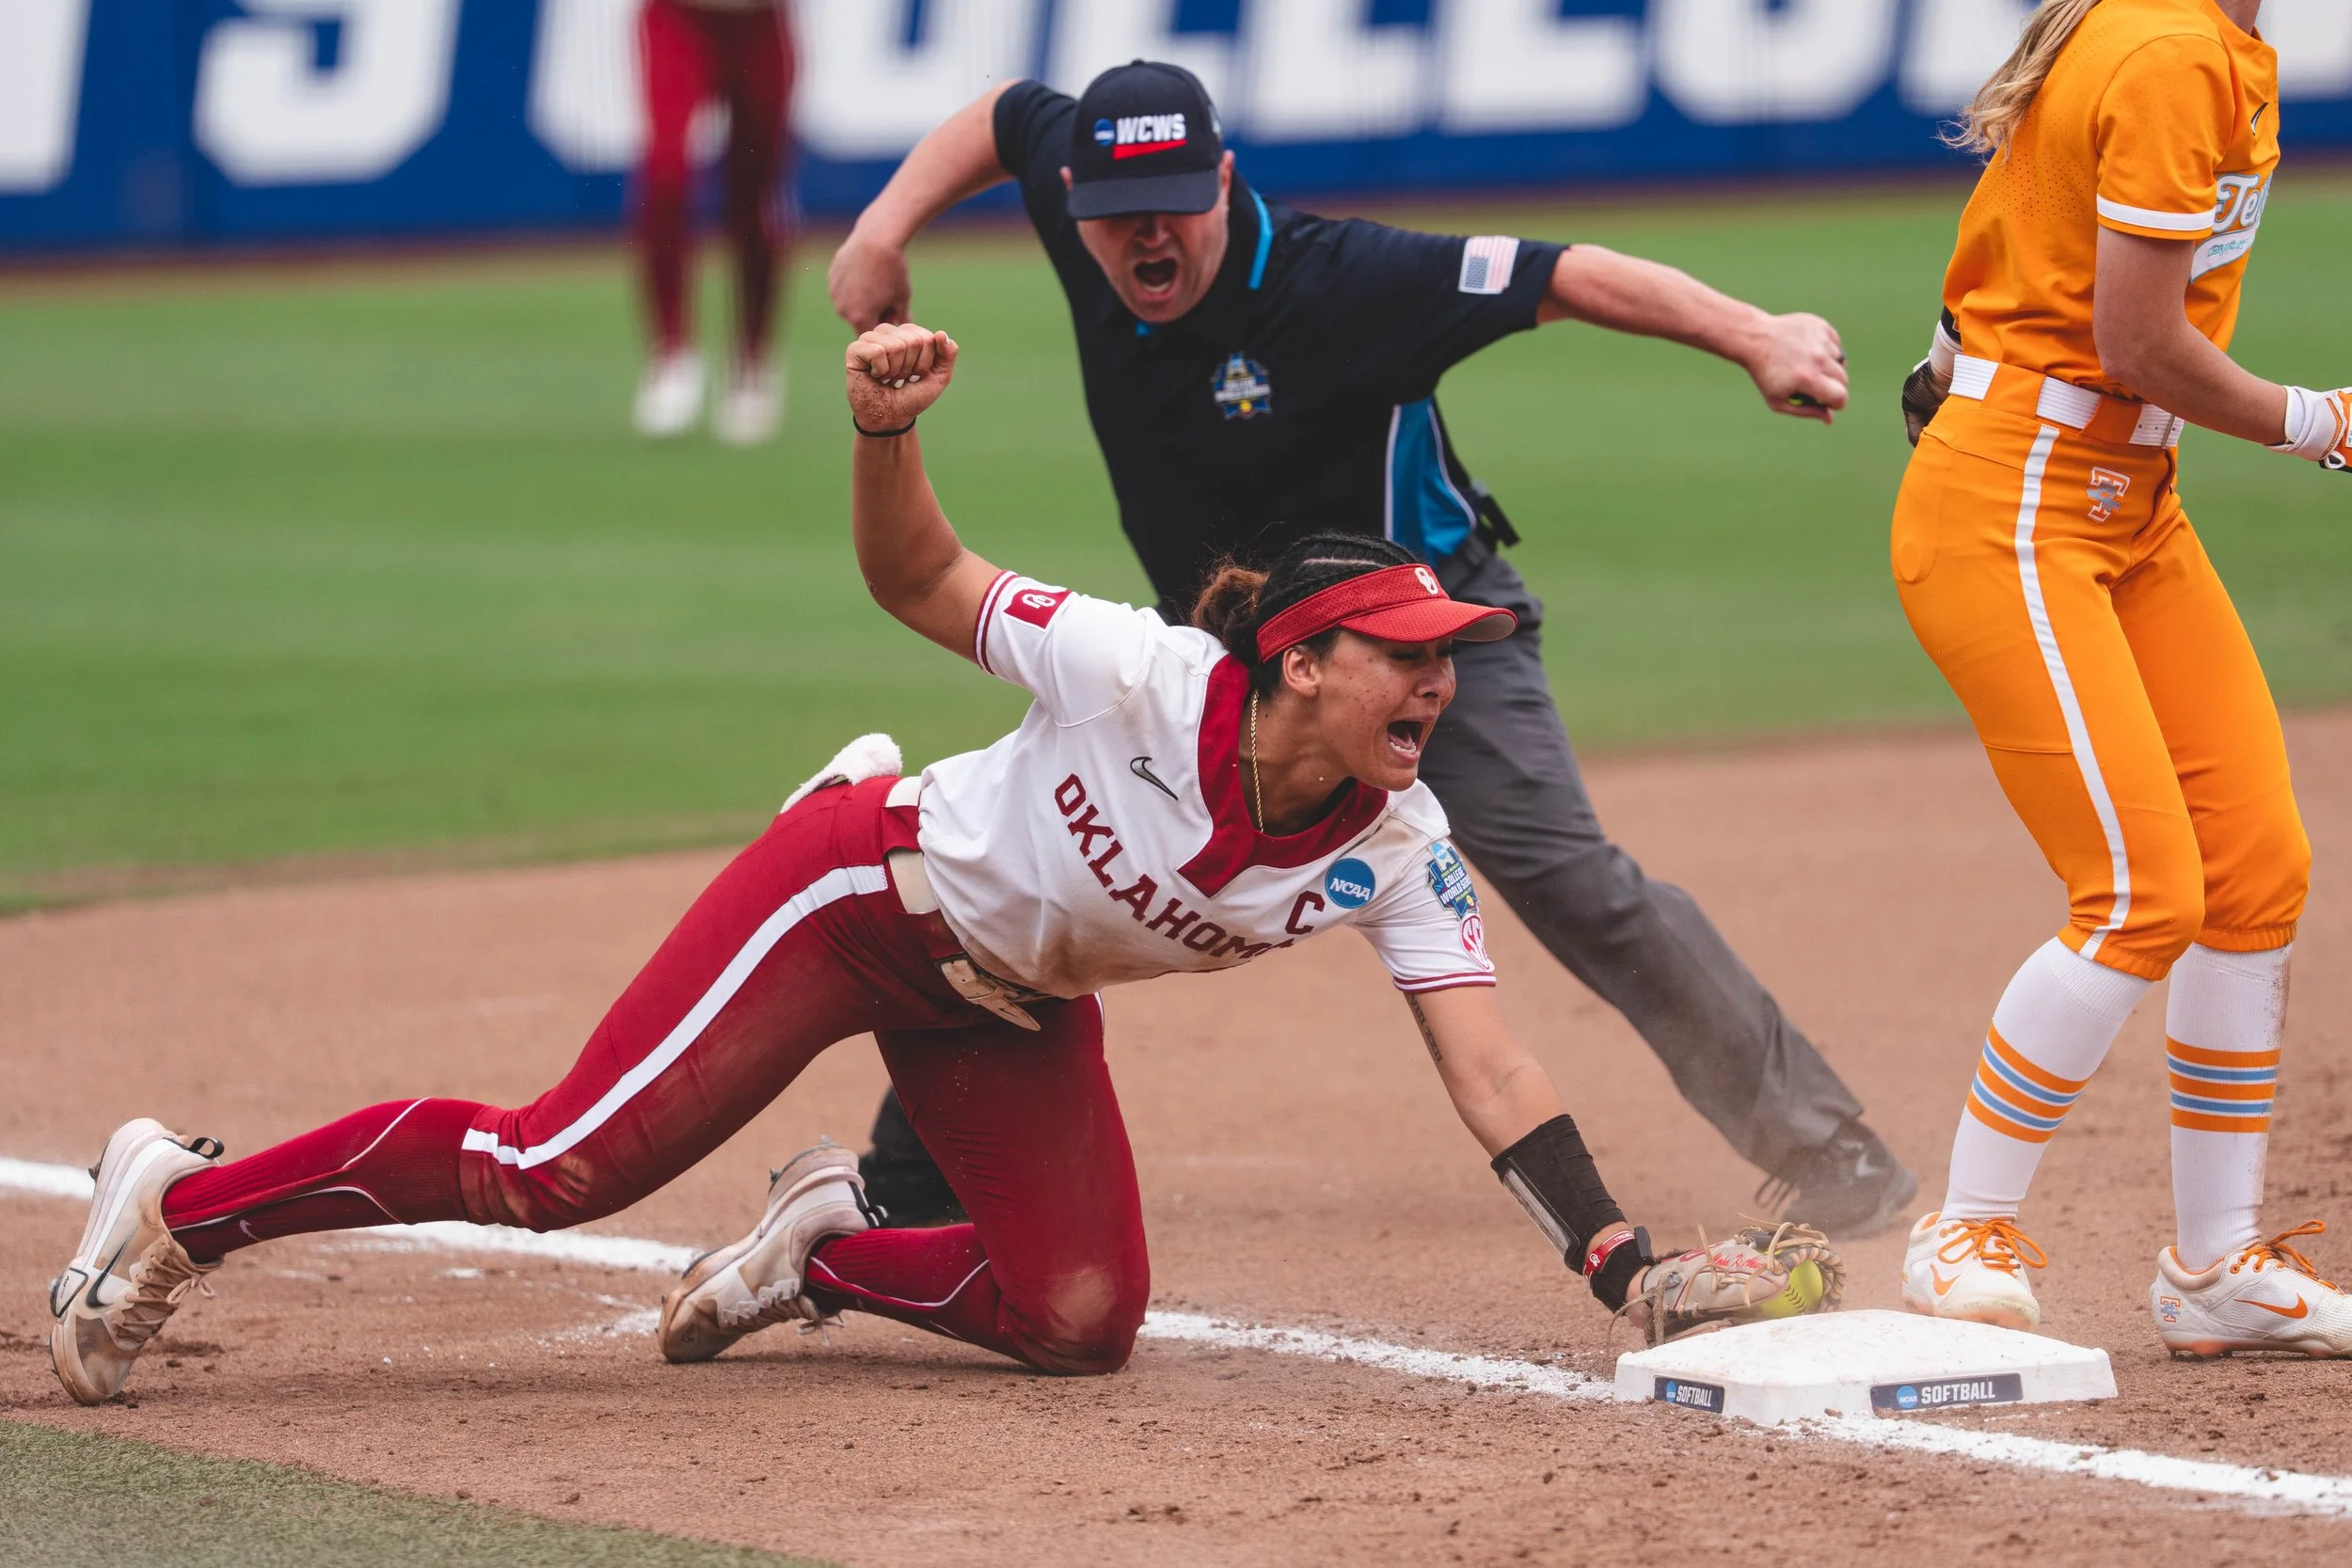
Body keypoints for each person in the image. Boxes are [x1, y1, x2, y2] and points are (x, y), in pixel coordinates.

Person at [44, 323, 1843, 1406]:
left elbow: (1491, 1062)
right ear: (1302, 661)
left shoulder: (1398, 836)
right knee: (557, 1164)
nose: (1444, 682)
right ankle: (175, 1204)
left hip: (1012, 996)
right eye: (1409, 653)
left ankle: (827, 1242)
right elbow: (925, 584)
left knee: (1079, 1320)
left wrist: (1615, 1261)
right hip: (862, 900)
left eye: (1453, 654)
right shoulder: (1153, 674)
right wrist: (885, 429)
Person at [826, 60, 1915, 1237]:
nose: (1148, 232)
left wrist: (1755, 335)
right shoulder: (1078, 182)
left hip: (1426, 641)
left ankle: (1829, 1147)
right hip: (1239, 667)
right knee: (1064, 851)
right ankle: (913, 1172)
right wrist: (883, 228)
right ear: (1074, 196)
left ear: (1225, 179)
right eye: (1116, 211)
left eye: (1177, 202)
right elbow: (1001, 117)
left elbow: (1558, 274)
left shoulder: (1339, 280)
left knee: (1572, 881)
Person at [1892, 0, 2352, 1353]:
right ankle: (1958, 1226)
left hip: (2122, 497)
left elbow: (2032, 251)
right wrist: (2325, 422)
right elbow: (2141, 340)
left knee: (2256, 868)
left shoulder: (2199, 39)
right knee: (2145, 891)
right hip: (2016, 502)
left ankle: (2215, 1266)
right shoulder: (2166, 47)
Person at [629, 0, 796, 444]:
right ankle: (671, 352)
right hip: (677, 16)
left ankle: (752, 362)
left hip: (760, 23)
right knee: (665, 175)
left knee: (754, 197)